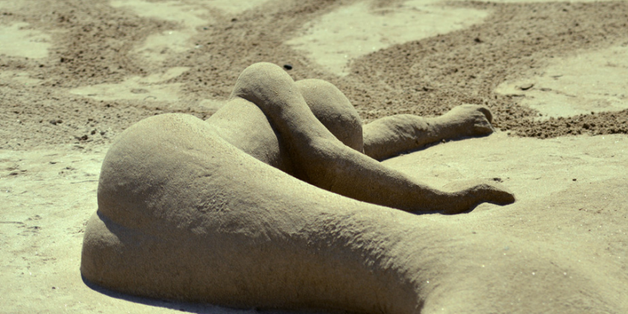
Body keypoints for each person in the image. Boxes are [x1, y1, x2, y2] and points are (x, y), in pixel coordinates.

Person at [203, 62, 515, 213]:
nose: (359, 154)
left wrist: (445, 124)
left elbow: (375, 141)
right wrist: (443, 199)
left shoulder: (287, 143)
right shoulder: (265, 80)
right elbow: (330, 156)